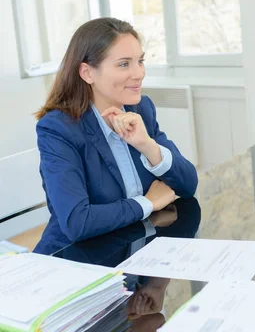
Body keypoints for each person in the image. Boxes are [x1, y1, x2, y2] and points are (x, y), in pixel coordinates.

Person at [34, 17, 198, 255]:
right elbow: (77, 222)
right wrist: (148, 203)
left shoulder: (141, 109)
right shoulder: (58, 128)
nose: (138, 73)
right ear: (87, 72)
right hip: (72, 260)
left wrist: (147, 145)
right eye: (124, 64)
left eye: (140, 61)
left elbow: (188, 184)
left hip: (129, 249)